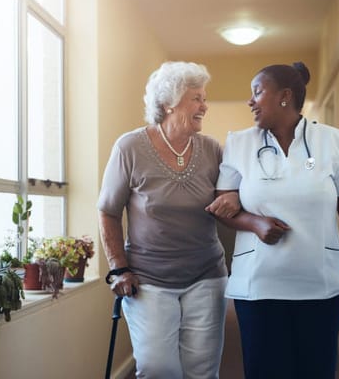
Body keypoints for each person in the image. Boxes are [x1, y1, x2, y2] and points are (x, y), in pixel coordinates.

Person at [205, 61, 339, 379]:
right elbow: (223, 208)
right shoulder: (239, 144)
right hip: (259, 288)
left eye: (257, 92)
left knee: (317, 371)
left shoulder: (333, 141)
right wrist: (255, 223)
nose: (250, 101)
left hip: (320, 286)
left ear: (285, 96)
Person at [97, 61, 239, 379]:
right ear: (168, 103)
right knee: (158, 368)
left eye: (204, 97)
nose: (204, 106)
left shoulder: (212, 150)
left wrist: (233, 197)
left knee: (203, 370)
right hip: (149, 279)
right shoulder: (130, 147)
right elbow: (107, 210)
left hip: (207, 275)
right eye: (196, 98)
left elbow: (231, 197)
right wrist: (119, 268)